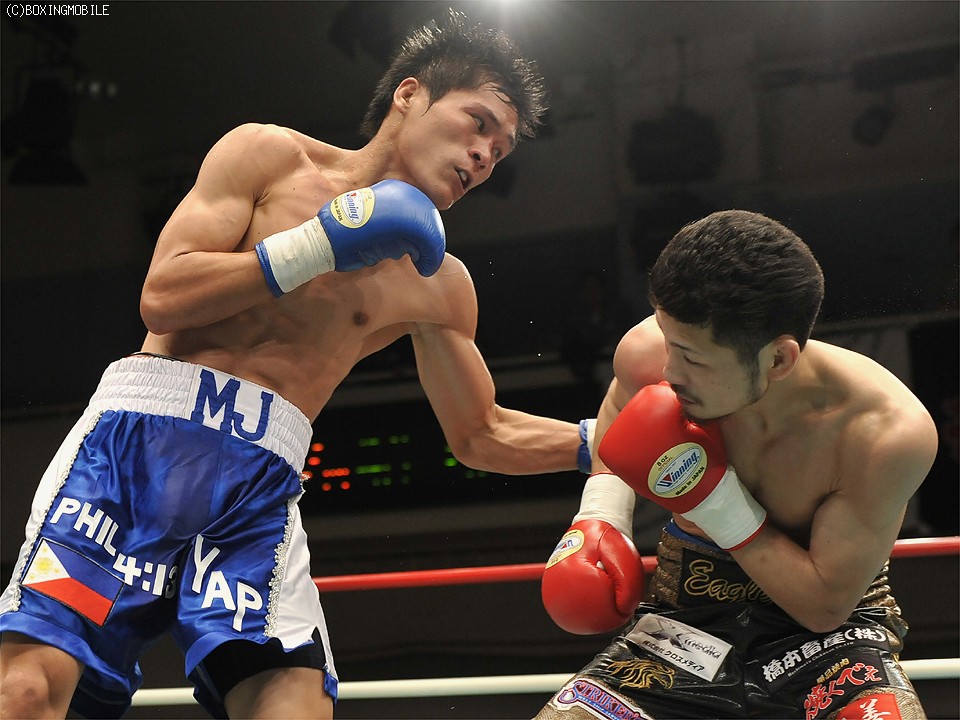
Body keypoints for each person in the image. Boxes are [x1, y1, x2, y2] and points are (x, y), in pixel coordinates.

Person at [0, 11, 592, 720]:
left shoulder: (440, 284)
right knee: (26, 691)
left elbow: (481, 433)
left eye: (501, 148)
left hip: (257, 485)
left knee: (293, 710)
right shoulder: (270, 157)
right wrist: (320, 245)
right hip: (136, 450)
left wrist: (608, 445)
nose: (486, 154)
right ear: (409, 95)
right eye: (478, 122)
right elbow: (164, 295)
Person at [539, 210, 938, 719]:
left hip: (831, 642)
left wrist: (714, 500)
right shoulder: (649, 355)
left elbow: (823, 606)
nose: (668, 371)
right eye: (668, 340)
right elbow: (619, 407)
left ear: (778, 360)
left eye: (692, 358)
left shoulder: (882, 433)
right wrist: (601, 513)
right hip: (685, 622)